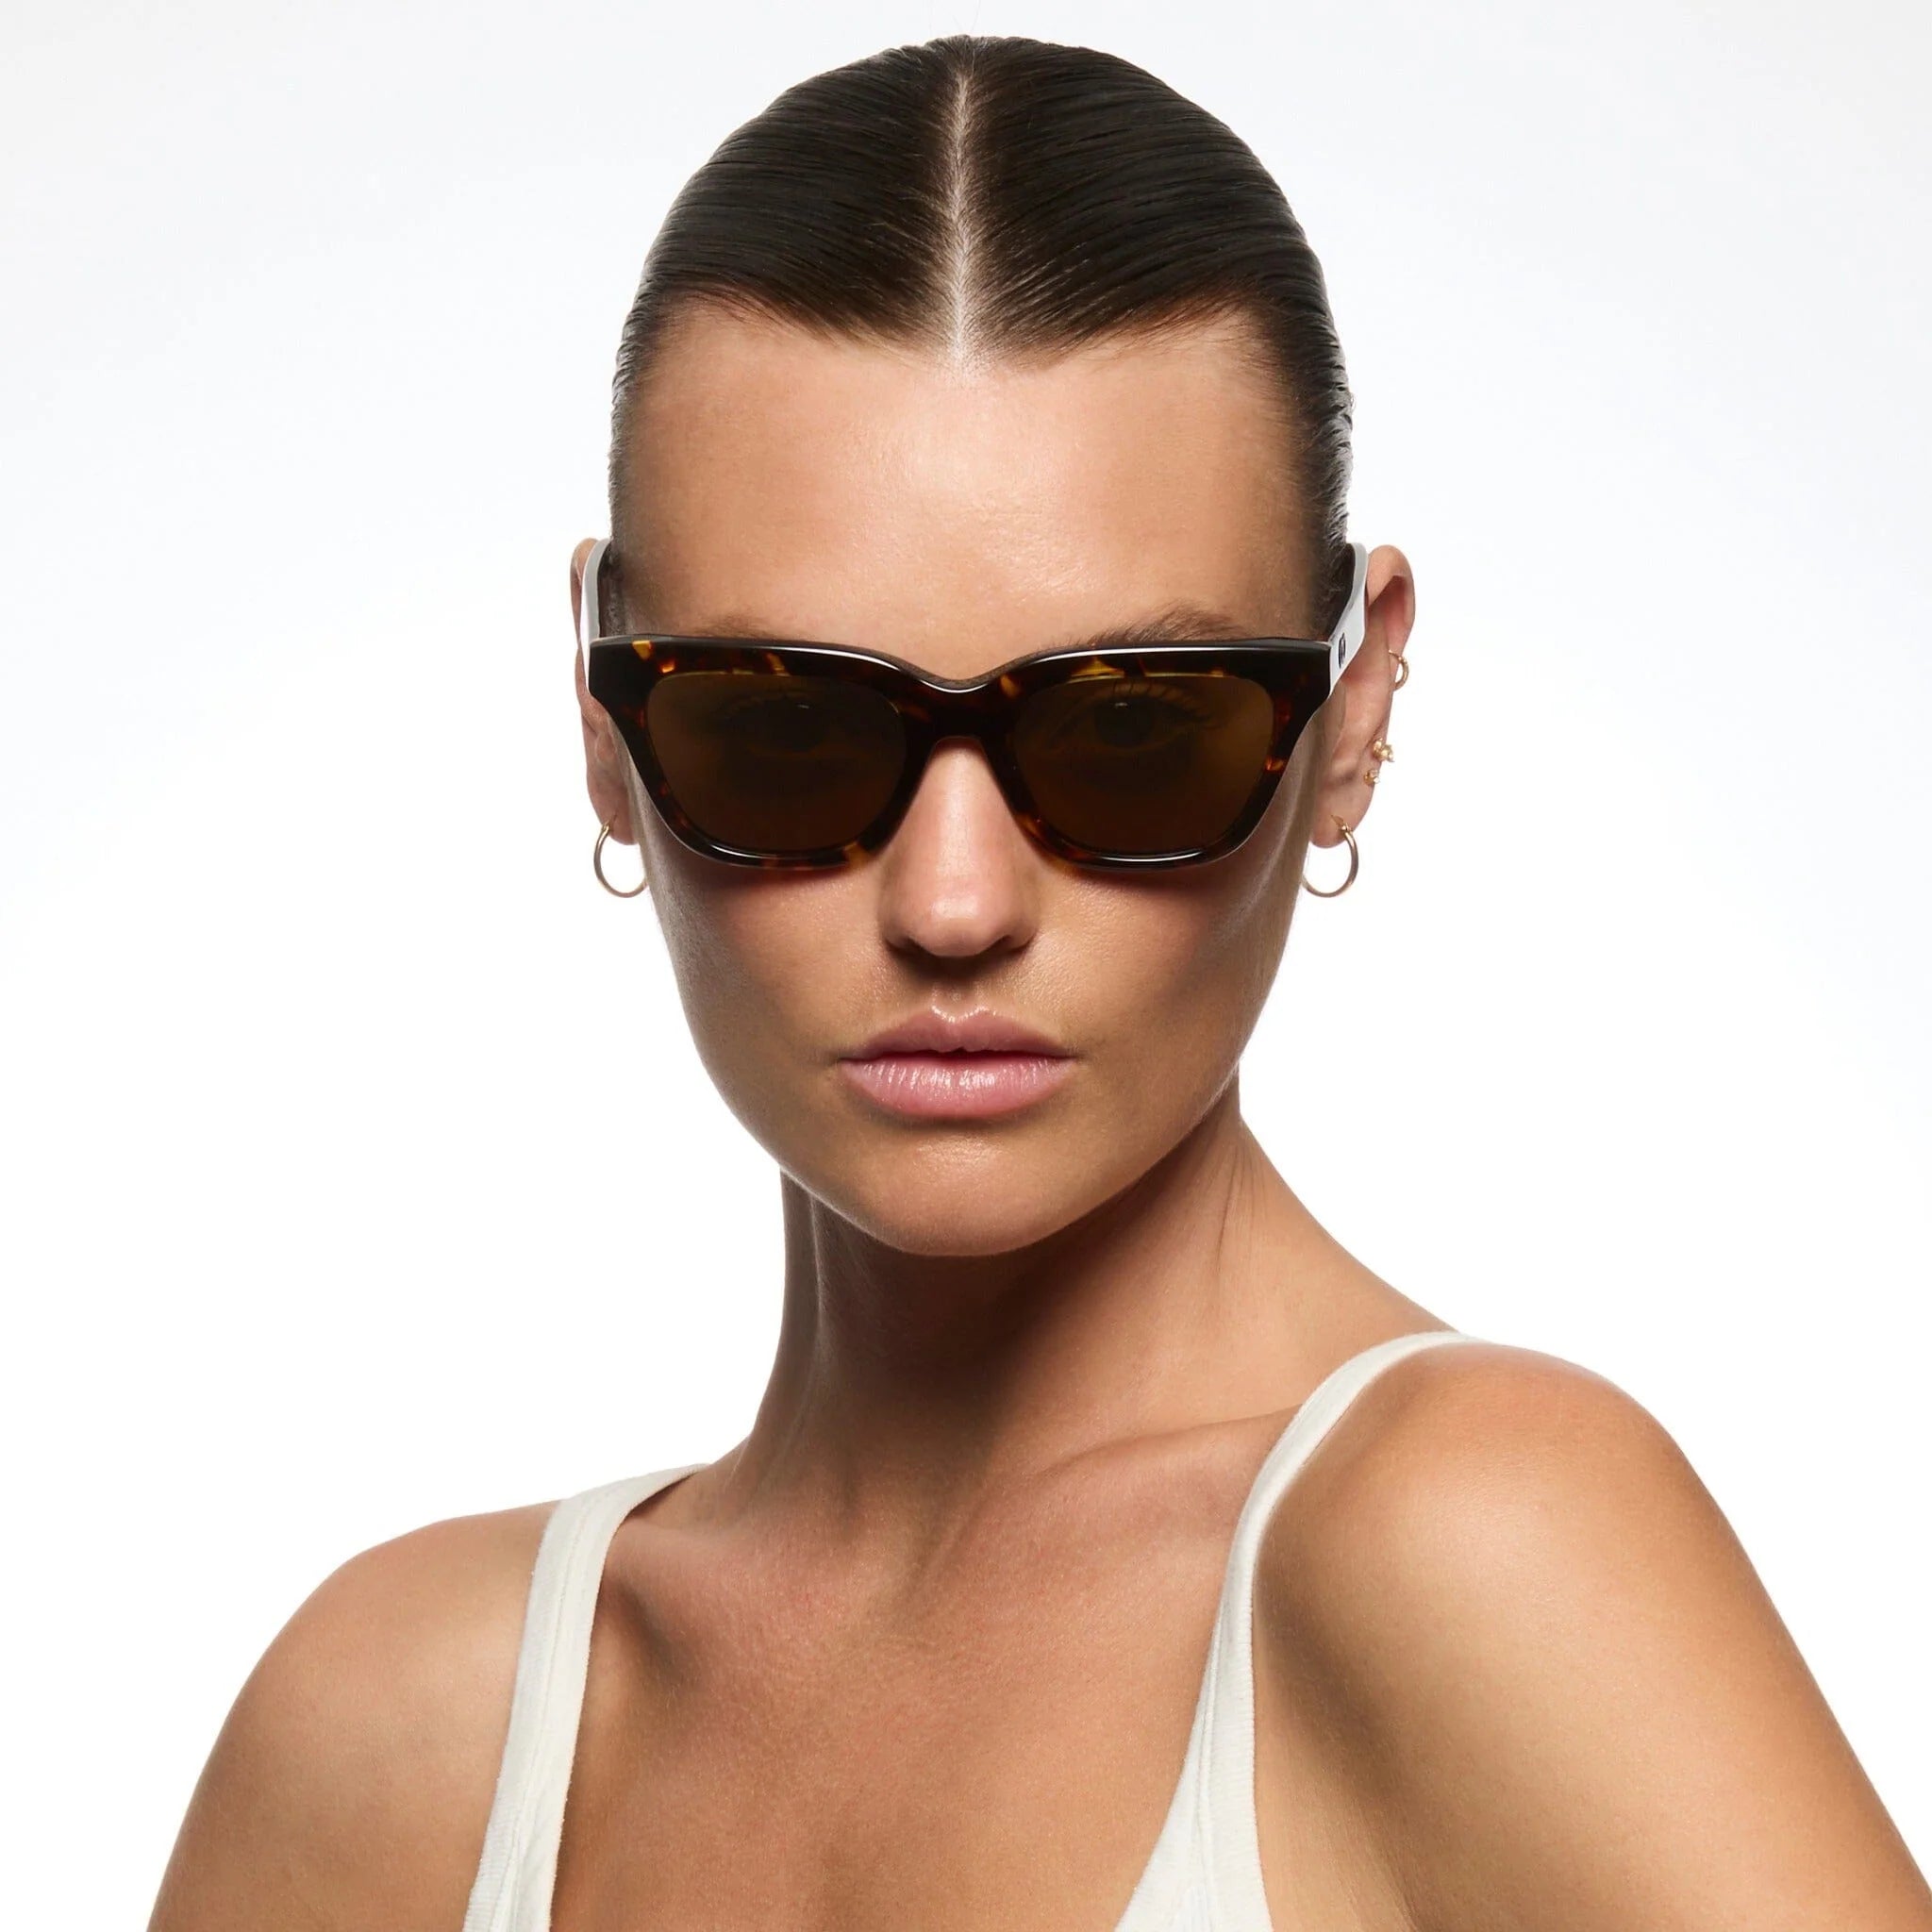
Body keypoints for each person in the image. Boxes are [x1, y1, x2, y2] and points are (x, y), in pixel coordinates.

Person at [147, 33, 1932, 1932]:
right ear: (604, 716)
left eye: (1135, 731)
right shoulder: (391, 1735)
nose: (953, 902)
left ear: (1351, 714)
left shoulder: (1478, 1541)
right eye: (783, 728)